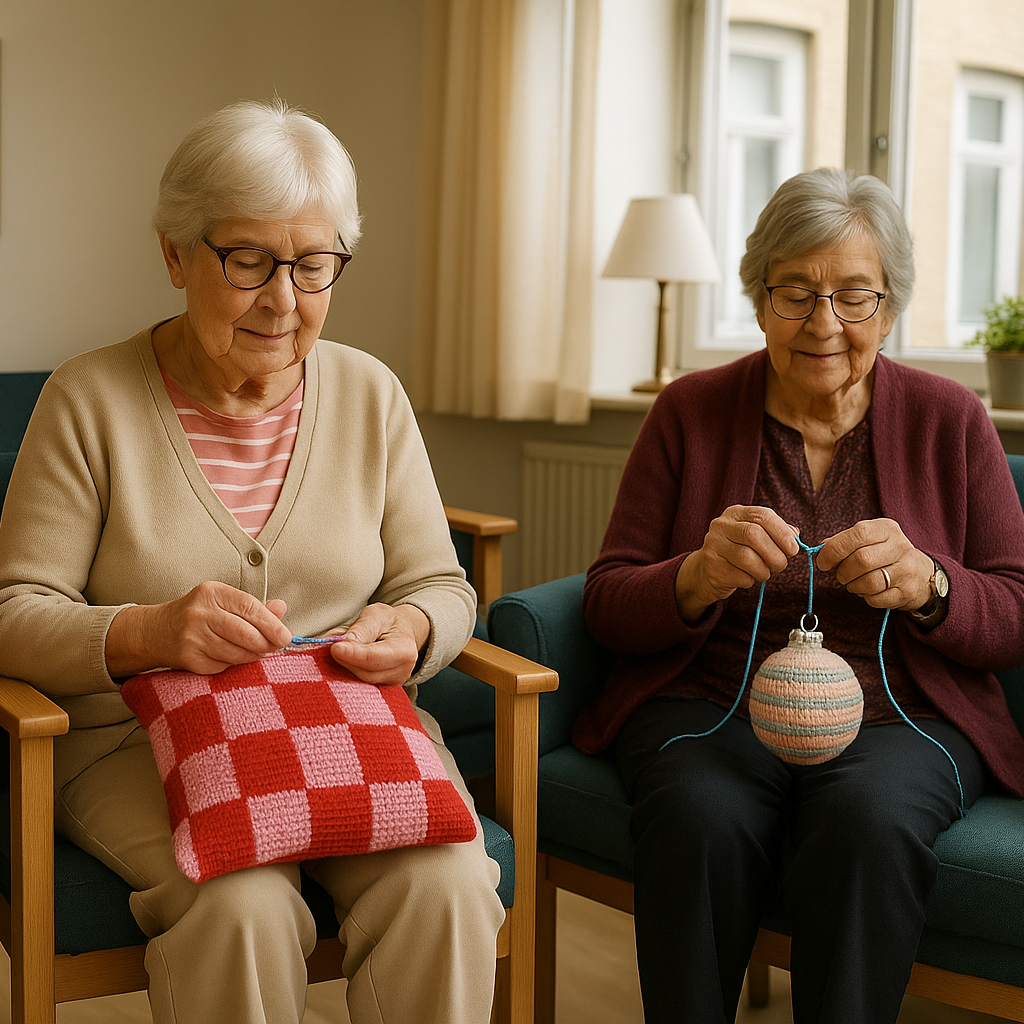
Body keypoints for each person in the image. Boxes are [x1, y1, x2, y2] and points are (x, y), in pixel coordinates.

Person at [0, 99, 504, 1024]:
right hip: (133, 743)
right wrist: (147, 631)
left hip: (350, 733)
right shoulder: (89, 398)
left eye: (314, 266)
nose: (283, 299)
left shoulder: (370, 393)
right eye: (248, 262)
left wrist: (419, 626)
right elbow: (14, 612)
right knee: (239, 902)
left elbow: (440, 582)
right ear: (174, 254)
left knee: (448, 886)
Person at [576, 167, 1024, 1024]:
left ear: (890, 308)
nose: (825, 324)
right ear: (758, 299)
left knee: (869, 824)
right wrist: (694, 577)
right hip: (711, 704)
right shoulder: (689, 410)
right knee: (695, 817)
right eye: (796, 293)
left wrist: (931, 586)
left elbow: (1015, 611)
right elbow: (606, 599)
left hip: (904, 717)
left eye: (855, 297)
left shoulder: (952, 418)